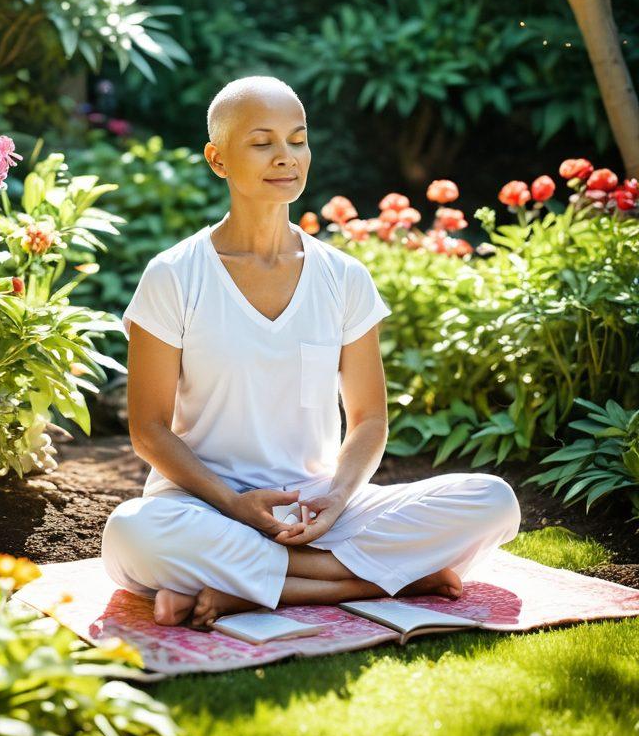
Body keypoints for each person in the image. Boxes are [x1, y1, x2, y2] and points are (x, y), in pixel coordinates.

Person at [101, 76, 521, 629]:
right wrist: (233, 504)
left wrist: (339, 497)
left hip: (316, 510)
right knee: (132, 534)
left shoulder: (343, 275)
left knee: (493, 501)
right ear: (218, 159)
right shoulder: (175, 275)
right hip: (203, 506)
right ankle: (368, 581)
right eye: (262, 142)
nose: (286, 156)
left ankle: (252, 587)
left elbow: (369, 420)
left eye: (297, 140)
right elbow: (149, 430)